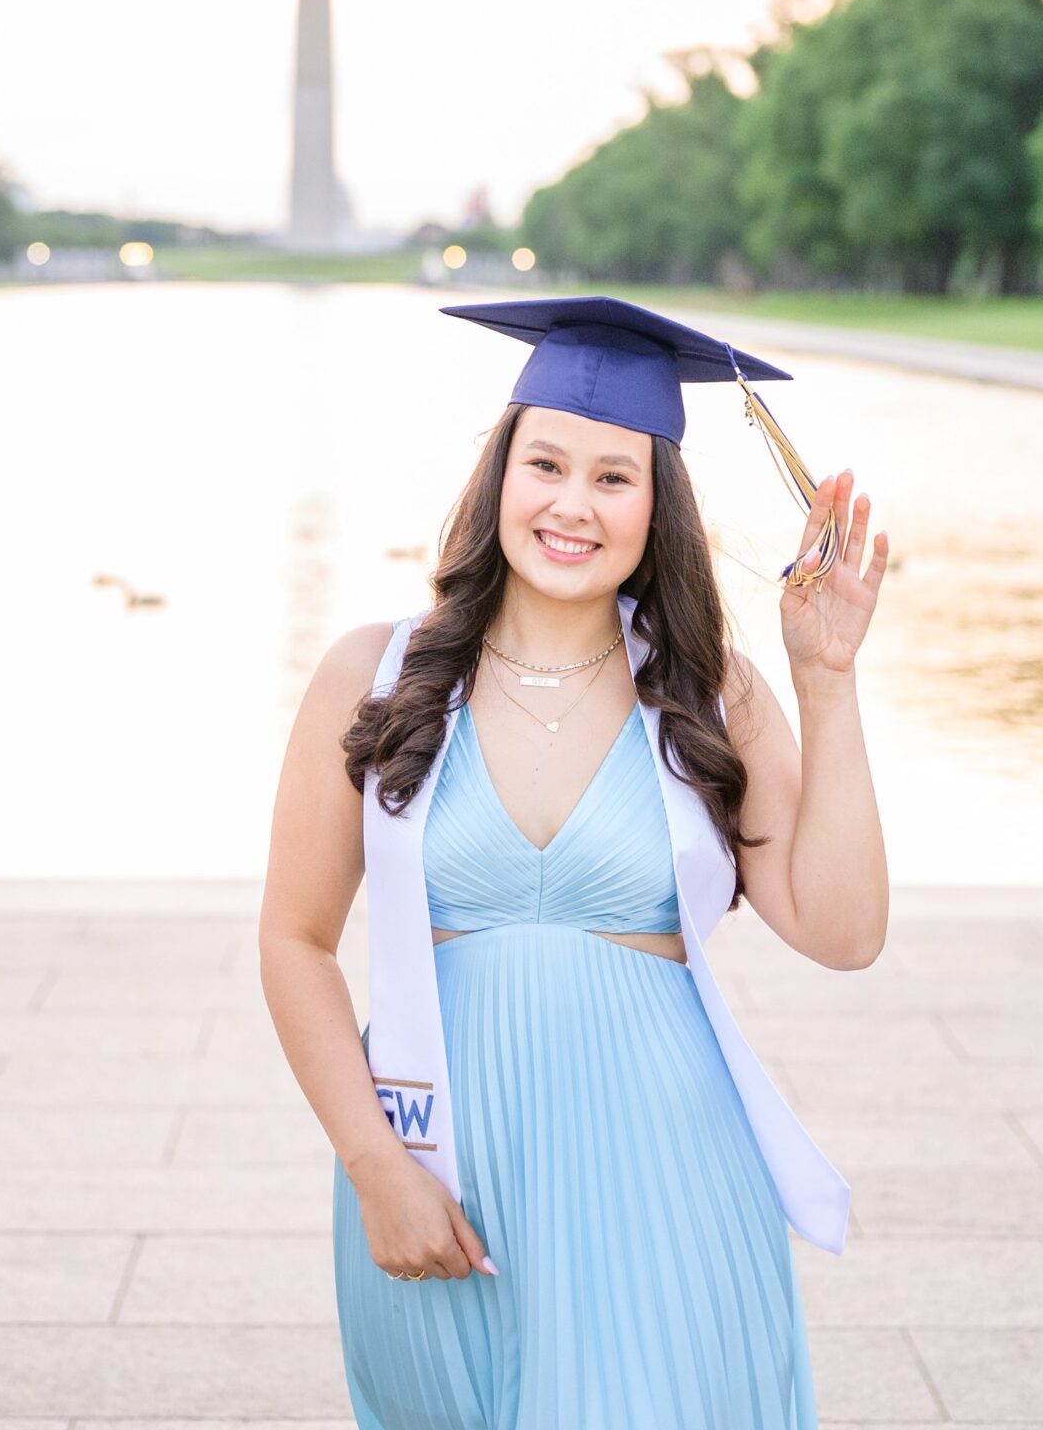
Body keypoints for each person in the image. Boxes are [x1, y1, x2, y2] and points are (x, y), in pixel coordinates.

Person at [258, 295, 891, 1428]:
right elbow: (294, 942)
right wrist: (373, 1168)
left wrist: (825, 679)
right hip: (444, 1166)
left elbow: (840, 932)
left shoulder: (711, 696)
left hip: (665, 1166)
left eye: (613, 477)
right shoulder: (376, 674)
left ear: (657, 506)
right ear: (498, 473)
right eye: (544, 463)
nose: (571, 504)